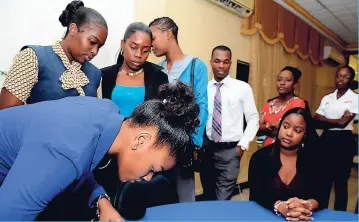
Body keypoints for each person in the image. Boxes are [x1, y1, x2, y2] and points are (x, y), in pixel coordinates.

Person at [0, 81, 199, 220]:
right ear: (141, 140)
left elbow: (82, 162)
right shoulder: (65, 152)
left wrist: (101, 200)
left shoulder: (106, 110)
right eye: (153, 168)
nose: (148, 178)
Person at [96, 22, 175, 219]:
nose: (138, 55)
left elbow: (162, 120)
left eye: (145, 50)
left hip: (142, 154)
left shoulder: (158, 77)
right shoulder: (104, 76)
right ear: (123, 44)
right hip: (108, 155)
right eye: (133, 47)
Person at [0, 0, 107, 110]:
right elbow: (7, 115)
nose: (95, 51)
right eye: (92, 42)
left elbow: (96, 118)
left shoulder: (95, 74)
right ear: (73, 29)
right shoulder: (32, 57)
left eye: (99, 46)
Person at [149, 16, 208, 202]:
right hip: (159, 145)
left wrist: (194, 142)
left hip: (184, 145)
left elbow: (202, 106)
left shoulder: (196, 67)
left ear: (169, 33)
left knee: (184, 199)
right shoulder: (156, 70)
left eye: (153, 37)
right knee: (159, 197)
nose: (151, 44)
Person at [200, 45, 259, 200]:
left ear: (230, 64)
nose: (221, 66)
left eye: (225, 62)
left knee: (223, 199)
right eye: (217, 61)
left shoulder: (242, 88)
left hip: (231, 152)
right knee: (208, 197)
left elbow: (253, 118)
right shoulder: (203, 89)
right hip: (207, 150)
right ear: (211, 62)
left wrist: (242, 145)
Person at [249, 108, 324, 221]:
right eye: (286, 126)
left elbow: (321, 195)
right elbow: (257, 193)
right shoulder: (260, 157)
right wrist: (280, 206)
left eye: (297, 131)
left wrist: (306, 205)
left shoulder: (315, 160)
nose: (289, 133)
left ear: (305, 134)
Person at [313, 65, 358, 211]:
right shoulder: (327, 97)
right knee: (323, 180)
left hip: (343, 141)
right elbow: (316, 119)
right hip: (326, 140)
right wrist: (336, 121)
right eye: (339, 75)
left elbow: (344, 123)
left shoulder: (355, 98)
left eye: (346, 76)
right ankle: (321, 213)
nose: (341, 79)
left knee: (340, 182)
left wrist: (326, 119)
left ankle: (340, 216)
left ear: (351, 79)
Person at [258, 66, 306, 147]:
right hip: (265, 148)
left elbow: (291, 127)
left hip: (285, 149)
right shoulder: (269, 103)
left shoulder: (298, 103)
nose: (282, 83)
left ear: (295, 84)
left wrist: (267, 127)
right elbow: (256, 126)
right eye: (279, 79)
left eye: (288, 80)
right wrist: (270, 125)